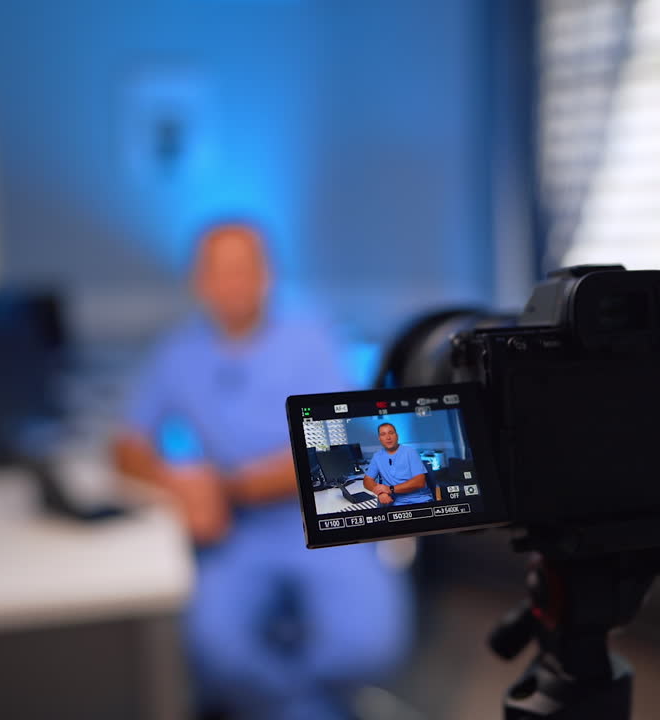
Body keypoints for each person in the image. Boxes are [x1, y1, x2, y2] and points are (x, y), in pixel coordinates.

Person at [112, 221, 408, 720]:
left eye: (244, 269)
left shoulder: (311, 338)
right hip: (237, 534)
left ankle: (300, 702)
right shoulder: (177, 354)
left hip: (322, 516)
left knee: (369, 643)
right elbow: (125, 445)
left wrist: (227, 487)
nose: (232, 283)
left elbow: (335, 448)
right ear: (198, 281)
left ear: (267, 275)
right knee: (215, 650)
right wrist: (180, 486)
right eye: (219, 271)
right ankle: (300, 707)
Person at [361, 422, 433, 506]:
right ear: (380, 438)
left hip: (418, 500)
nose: (388, 437)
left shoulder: (410, 452)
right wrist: (380, 492)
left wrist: (390, 489)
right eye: (383, 434)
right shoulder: (377, 456)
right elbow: (367, 480)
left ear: (397, 436)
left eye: (391, 433)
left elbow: (420, 482)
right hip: (394, 502)